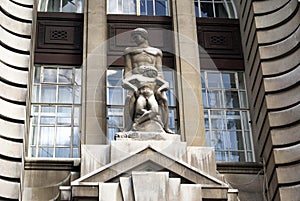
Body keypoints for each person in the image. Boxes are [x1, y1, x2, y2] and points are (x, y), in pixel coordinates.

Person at [123, 28, 174, 133]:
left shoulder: (156, 52)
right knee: (129, 98)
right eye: (133, 38)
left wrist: (160, 88)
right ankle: (127, 127)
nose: (134, 40)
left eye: (136, 37)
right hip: (136, 82)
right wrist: (132, 84)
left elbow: (159, 72)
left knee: (164, 99)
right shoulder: (130, 51)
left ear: (143, 36)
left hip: (153, 83)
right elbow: (128, 72)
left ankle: (165, 126)